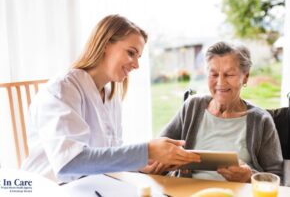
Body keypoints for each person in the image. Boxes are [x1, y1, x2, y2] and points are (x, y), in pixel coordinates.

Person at [21, 14, 200, 183]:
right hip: (51, 188)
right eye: (131, 53)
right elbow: (70, 164)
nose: (136, 65)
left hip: (91, 186)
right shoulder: (62, 89)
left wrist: (141, 166)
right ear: (105, 44)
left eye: (138, 57)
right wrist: (147, 150)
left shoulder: (111, 96)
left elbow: (107, 157)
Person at [142, 41, 283, 183]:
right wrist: (164, 163)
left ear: (245, 76)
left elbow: (280, 178)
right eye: (214, 74)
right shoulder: (193, 106)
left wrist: (249, 177)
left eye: (229, 74)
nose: (221, 82)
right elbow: (156, 152)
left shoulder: (261, 120)